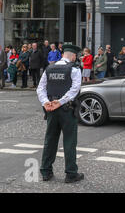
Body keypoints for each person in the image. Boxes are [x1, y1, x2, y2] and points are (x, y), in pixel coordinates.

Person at [36, 44, 84, 183]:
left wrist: (46, 102)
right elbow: (75, 89)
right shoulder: (74, 69)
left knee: (50, 140)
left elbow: (40, 89)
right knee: (69, 141)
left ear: (63, 55)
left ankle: (46, 171)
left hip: (51, 110)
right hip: (67, 110)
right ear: (73, 56)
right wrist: (61, 101)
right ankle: (71, 174)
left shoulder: (49, 68)